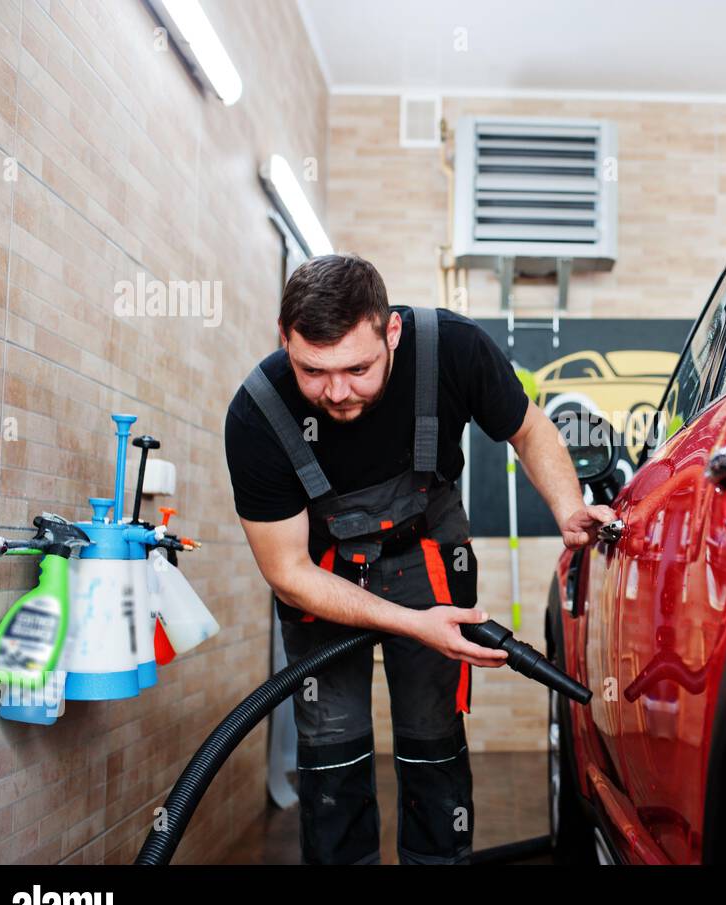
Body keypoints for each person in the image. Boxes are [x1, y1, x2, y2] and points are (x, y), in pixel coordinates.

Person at [223, 253, 614, 864]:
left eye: (358, 368)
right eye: (313, 370)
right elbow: (288, 574)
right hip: (322, 579)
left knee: (432, 742)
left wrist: (567, 510)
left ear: (392, 332)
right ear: (285, 341)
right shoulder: (257, 413)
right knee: (331, 751)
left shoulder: (450, 348)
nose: (337, 392)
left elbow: (530, 429)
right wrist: (409, 625)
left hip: (428, 558)